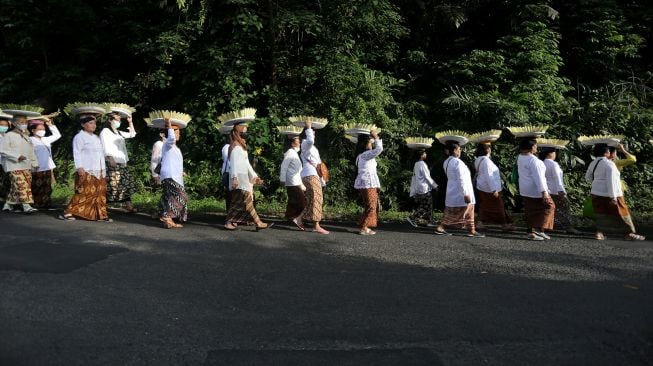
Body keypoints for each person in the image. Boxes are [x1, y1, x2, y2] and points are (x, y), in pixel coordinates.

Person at [585, 144, 645, 241]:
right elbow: (611, 181)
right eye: (609, 151)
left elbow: (587, 178)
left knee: (601, 213)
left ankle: (599, 233)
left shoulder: (593, 163)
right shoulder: (610, 164)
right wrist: (613, 197)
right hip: (612, 193)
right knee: (622, 213)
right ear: (606, 153)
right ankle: (629, 233)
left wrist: (598, 182)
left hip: (596, 192)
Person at [59, 115, 111, 221]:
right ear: (83, 124)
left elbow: (100, 154)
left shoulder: (96, 138)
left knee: (99, 193)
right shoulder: (79, 137)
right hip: (87, 169)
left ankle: (100, 214)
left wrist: (103, 168)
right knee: (84, 192)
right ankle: (68, 212)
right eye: (90, 123)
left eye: (94, 123)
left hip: (99, 170)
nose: (93, 125)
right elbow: (76, 152)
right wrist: (79, 167)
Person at [224, 122, 272, 231]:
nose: (245, 138)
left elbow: (247, 164)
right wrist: (234, 178)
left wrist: (255, 177)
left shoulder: (240, 146)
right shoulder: (235, 146)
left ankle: (228, 222)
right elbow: (234, 164)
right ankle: (258, 222)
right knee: (247, 201)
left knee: (236, 202)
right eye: (243, 135)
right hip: (239, 178)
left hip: (243, 177)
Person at [435, 142, 483, 237]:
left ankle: (471, 229)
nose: (460, 151)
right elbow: (462, 178)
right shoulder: (457, 162)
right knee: (465, 210)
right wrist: (465, 193)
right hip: (461, 191)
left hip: (453, 189)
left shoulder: (447, 162)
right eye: (459, 149)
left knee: (454, 212)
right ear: (455, 150)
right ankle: (442, 227)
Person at [0, 115, 39, 213]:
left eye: (25, 122)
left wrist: (35, 163)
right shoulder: (8, 135)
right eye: (21, 122)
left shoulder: (27, 137)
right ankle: (26, 206)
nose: (24, 124)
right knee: (22, 184)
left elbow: (31, 151)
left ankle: (8, 205)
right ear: (14, 123)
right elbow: (3, 150)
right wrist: (17, 156)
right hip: (13, 165)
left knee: (16, 186)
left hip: (26, 165)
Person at [517, 139, 554, 240]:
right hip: (535, 189)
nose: (536, 148)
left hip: (525, 188)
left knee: (530, 211)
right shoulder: (534, 161)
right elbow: (539, 177)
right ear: (532, 147)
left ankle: (531, 232)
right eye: (535, 146)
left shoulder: (520, 157)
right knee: (549, 206)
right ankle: (538, 229)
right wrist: (544, 192)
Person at [100, 113, 137, 213]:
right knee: (112, 186)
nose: (119, 122)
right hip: (112, 161)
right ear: (110, 120)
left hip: (122, 162)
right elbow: (104, 145)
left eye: (120, 120)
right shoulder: (105, 131)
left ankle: (129, 206)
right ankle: (100, 205)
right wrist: (109, 158)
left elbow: (132, 134)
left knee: (124, 185)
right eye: (117, 119)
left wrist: (130, 122)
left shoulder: (118, 133)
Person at [539, 147, 580, 234]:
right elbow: (557, 178)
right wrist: (561, 191)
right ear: (551, 153)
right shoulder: (553, 164)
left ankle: (548, 225)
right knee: (564, 208)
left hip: (547, 190)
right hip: (556, 190)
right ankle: (568, 227)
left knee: (549, 209)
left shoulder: (541, 163)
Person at [474, 143, 514, 231]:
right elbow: (489, 176)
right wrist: (494, 189)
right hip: (489, 188)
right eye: (489, 147)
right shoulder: (486, 161)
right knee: (498, 206)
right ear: (487, 150)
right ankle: (504, 224)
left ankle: (480, 222)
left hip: (482, 187)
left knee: (484, 205)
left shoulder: (478, 159)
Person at [299, 120, 329, 234]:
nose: (314, 132)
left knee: (312, 199)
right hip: (310, 174)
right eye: (312, 131)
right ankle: (316, 225)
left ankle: (299, 218)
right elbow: (311, 139)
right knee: (317, 198)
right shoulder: (306, 143)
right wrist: (308, 127)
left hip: (311, 174)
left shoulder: (309, 146)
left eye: (314, 131)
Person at [158, 118, 188, 229]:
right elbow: (170, 138)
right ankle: (167, 216)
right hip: (170, 175)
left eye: (178, 132)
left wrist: (181, 171)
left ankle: (166, 218)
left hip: (173, 175)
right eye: (177, 132)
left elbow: (174, 161)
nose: (178, 135)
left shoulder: (175, 147)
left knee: (169, 197)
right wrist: (169, 126)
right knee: (181, 195)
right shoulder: (167, 144)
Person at [354, 130, 383, 235]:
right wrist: (376, 137)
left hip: (365, 184)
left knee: (368, 206)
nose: (372, 144)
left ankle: (363, 225)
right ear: (365, 144)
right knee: (372, 206)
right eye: (370, 142)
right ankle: (364, 227)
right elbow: (379, 149)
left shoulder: (360, 156)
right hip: (368, 184)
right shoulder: (366, 155)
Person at [28, 116, 61, 209]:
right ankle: (35, 204)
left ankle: (45, 204)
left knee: (46, 187)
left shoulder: (46, 139)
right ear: (33, 130)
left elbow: (57, 135)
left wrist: (50, 125)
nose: (42, 130)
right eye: (39, 129)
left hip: (47, 166)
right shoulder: (30, 140)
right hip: (35, 167)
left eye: (43, 128)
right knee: (36, 186)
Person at [279, 133, 306, 230]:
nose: (300, 143)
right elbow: (284, 167)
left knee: (293, 200)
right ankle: (296, 218)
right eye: (298, 141)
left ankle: (289, 216)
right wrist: (282, 179)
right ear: (292, 143)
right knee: (302, 202)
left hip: (295, 181)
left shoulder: (294, 153)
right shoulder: (290, 153)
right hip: (292, 181)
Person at [407, 149, 438, 227]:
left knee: (428, 205)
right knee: (426, 205)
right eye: (424, 153)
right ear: (421, 155)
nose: (426, 154)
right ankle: (412, 217)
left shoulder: (416, 164)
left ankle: (429, 221)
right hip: (424, 188)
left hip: (419, 187)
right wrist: (435, 185)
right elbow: (427, 177)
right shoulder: (422, 164)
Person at [0, 113, 11, 201]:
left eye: (6, 125)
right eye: (1, 125)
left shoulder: (8, 136)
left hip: (5, 162)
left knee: (5, 180)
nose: (4, 126)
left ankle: (4, 197)